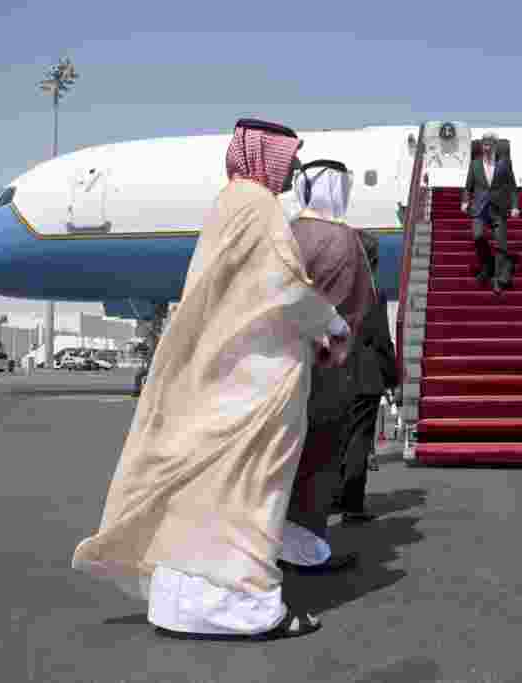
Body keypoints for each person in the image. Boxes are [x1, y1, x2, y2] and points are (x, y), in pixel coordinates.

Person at [72, 119, 356, 641]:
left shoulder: (229, 204)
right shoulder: (260, 208)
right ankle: (244, 609)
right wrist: (332, 325)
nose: (295, 168)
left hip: (225, 372)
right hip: (255, 379)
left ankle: (182, 605)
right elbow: (283, 286)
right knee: (247, 491)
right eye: (289, 157)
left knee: (206, 491)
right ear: (265, 158)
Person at [277, 159, 377, 574]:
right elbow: (362, 305)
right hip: (327, 370)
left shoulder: (283, 233)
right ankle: (307, 550)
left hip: (278, 365)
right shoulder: (347, 240)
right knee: (317, 463)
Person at [332, 231, 398, 523]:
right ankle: (353, 504)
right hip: (366, 375)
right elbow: (382, 341)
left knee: (339, 439)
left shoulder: (334, 291)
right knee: (360, 439)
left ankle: (332, 497)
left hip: (337, 371)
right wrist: (392, 378)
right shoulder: (373, 294)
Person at [461, 132, 520, 294]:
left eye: (489, 145)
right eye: (484, 145)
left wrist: (515, 206)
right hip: (479, 209)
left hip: (498, 209)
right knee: (478, 236)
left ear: (495, 146)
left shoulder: (504, 164)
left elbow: (513, 187)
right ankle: (488, 264)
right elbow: (468, 187)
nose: (486, 148)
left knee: (501, 244)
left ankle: (498, 280)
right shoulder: (475, 165)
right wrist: (465, 201)